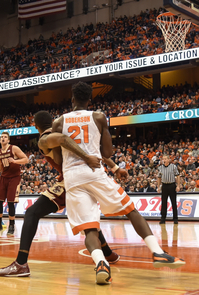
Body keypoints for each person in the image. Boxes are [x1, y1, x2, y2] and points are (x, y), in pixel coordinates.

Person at [52, 81, 185, 285]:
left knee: (89, 228)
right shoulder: (97, 117)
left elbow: (59, 161)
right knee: (130, 210)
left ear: (71, 99)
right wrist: (110, 164)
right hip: (94, 172)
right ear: (90, 99)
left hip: (72, 177)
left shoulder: (58, 122)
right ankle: (157, 252)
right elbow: (107, 153)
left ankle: (101, 264)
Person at [0, 111, 121, 277]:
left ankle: (21, 263)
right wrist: (115, 168)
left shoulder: (46, 139)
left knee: (32, 213)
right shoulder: (65, 132)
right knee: (88, 220)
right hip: (87, 178)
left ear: (35, 126)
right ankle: (109, 254)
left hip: (70, 180)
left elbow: (62, 150)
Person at [0, 132, 29, 235]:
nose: (3, 138)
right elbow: (0, 167)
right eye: (1, 137)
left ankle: (11, 225)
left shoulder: (14, 148)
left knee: (11, 202)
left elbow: (26, 159)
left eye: (5, 137)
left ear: (8, 140)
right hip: (4, 177)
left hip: (14, 178)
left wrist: (15, 161)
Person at [157, 155, 180, 224]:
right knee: (163, 203)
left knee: (173, 202)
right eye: (163, 159)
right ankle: (163, 219)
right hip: (164, 186)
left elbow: (178, 176)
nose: (164, 160)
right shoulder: (160, 167)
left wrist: (178, 186)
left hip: (172, 185)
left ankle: (175, 219)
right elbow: (159, 177)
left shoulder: (173, 166)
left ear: (168, 159)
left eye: (165, 159)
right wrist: (158, 187)